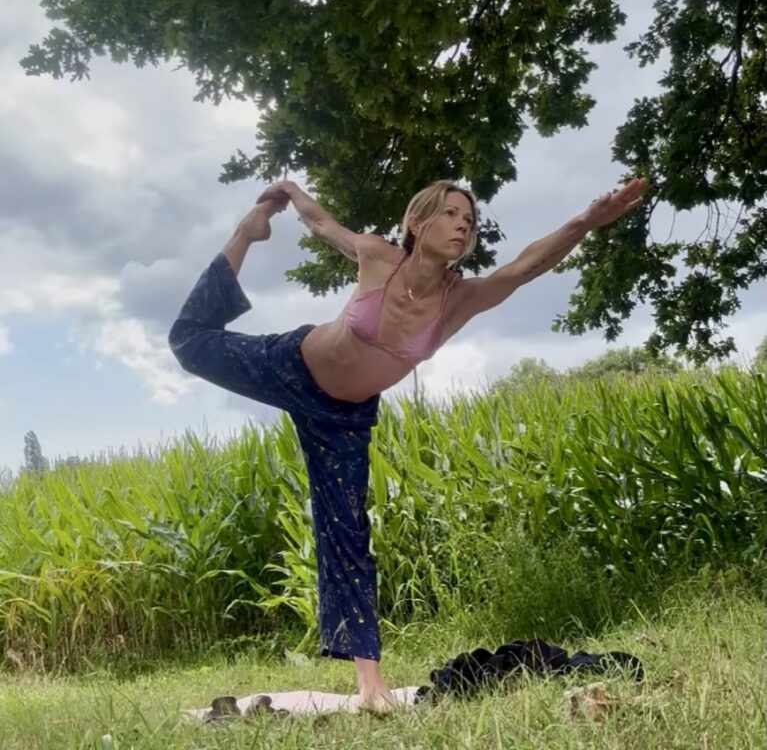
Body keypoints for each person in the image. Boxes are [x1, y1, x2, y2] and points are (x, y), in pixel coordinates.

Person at [169, 175, 646, 713]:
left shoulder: (459, 300)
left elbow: (525, 266)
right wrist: (287, 196)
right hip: (290, 365)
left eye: (469, 219)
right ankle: (243, 234)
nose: (463, 224)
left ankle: (370, 686)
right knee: (188, 341)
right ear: (417, 222)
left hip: (342, 419)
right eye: (450, 213)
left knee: (347, 530)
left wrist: (585, 221)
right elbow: (323, 225)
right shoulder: (378, 256)